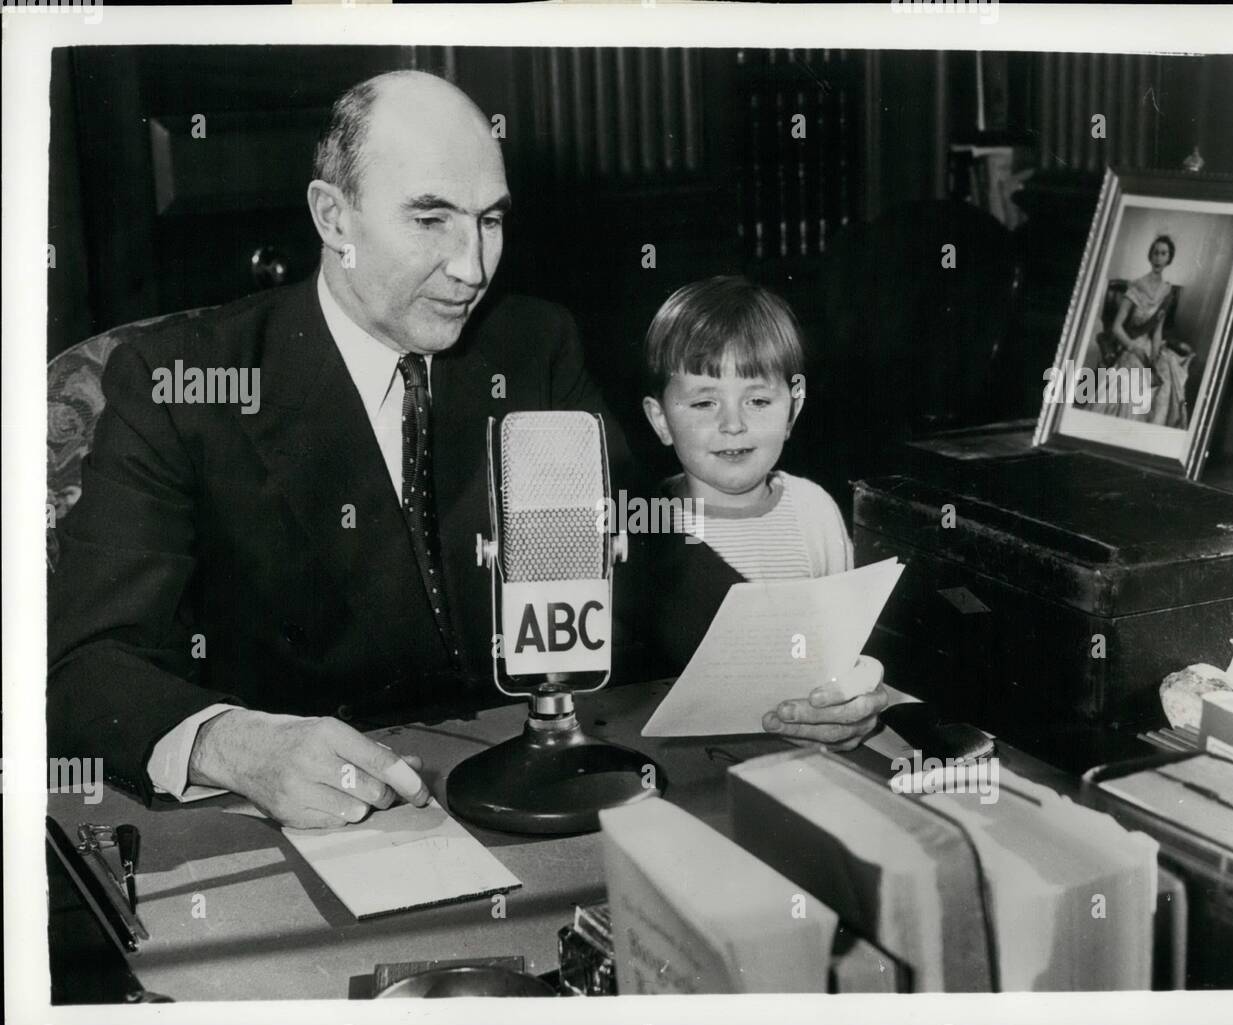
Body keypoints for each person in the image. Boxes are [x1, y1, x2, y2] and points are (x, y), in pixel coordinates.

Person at [48, 74, 885, 828]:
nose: (473, 265)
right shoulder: (182, 383)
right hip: (320, 821)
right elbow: (89, 663)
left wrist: (794, 665)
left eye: (490, 220)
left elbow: (645, 553)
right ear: (332, 217)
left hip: (533, 787)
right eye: (430, 218)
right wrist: (230, 745)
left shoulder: (534, 345)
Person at [630, 276, 887, 751]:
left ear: (792, 410)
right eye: (705, 402)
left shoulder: (815, 512)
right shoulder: (646, 526)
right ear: (661, 419)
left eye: (759, 400)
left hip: (806, 753)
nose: (733, 424)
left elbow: (852, 652)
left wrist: (857, 690)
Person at [1093, 234, 1195, 428]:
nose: (1158, 257)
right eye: (1155, 253)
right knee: (1135, 378)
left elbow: (1157, 331)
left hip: (1150, 345)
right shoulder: (1136, 286)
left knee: (1166, 377)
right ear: (1150, 256)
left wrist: (1155, 356)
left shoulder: (1167, 292)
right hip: (1130, 344)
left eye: (1163, 254)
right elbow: (1116, 327)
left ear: (1168, 259)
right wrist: (1134, 348)